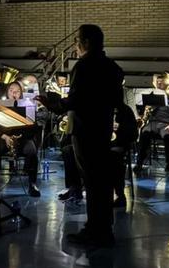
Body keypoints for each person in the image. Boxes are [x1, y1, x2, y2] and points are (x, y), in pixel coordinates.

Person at [37, 24, 124, 247]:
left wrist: (53, 103)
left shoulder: (83, 66)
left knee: (92, 181)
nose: (76, 46)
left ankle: (95, 232)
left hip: (85, 129)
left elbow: (75, 100)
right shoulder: (113, 67)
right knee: (101, 180)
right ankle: (104, 228)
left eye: (77, 41)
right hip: (103, 128)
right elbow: (115, 99)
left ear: (85, 43)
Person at [0, 81, 40, 197]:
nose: (14, 93)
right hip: (5, 138)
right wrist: (5, 137)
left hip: (23, 138)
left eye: (17, 91)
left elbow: (32, 128)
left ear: (21, 93)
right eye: (11, 90)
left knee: (32, 151)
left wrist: (19, 137)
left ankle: (33, 183)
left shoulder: (28, 105)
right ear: (7, 92)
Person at [135, 74, 169, 173]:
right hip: (153, 123)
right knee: (144, 133)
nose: (159, 84)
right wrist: (143, 115)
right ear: (154, 83)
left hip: (167, 124)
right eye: (157, 82)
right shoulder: (150, 97)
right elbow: (142, 112)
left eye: (161, 82)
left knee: (167, 136)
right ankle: (139, 163)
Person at [111, 103, 138, 208]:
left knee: (114, 156)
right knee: (69, 151)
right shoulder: (100, 107)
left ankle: (120, 195)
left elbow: (134, 134)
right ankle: (75, 189)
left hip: (119, 143)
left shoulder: (125, 110)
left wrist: (120, 127)